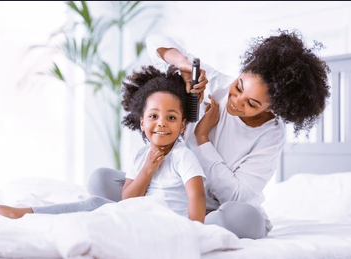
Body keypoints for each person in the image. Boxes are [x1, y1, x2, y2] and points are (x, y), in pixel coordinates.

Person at [86, 29, 331, 239]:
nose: (235, 102)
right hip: (174, 195)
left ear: (275, 108)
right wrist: (182, 62)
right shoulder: (214, 82)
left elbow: (236, 195)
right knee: (100, 180)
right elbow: (155, 41)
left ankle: (185, 227)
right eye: (238, 87)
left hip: (218, 209)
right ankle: (174, 219)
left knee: (247, 218)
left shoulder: (271, 136)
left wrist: (202, 139)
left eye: (252, 104)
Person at [0, 65, 206, 223]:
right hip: (140, 217)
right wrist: (147, 169)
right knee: (95, 205)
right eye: (153, 116)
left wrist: (196, 233)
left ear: (182, 125)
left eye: (171, 118)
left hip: (165, 224)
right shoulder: (140, 156)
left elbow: (197, 196)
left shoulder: (182, 157)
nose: (162, 124)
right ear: (141, 121)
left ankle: (25, 213)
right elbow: (127, 198)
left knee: (98, 207)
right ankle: (28, 213)